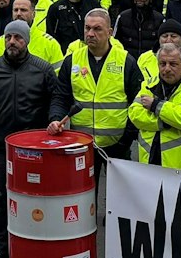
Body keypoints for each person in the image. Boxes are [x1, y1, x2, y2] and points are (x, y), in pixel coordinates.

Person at [0, 21, 64, 258]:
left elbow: (57, 100)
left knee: (35, 199)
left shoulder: (42, 70)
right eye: (8, 37)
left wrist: (54, 120)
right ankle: (0, 250)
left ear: (27, 41)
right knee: (1, 198)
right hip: (1, 147)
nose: (12, 42)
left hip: (33, 150)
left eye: (18, 38)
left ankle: (36, 248)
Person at [54, 9, 138, 157]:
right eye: (87, 28)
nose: (90, 33)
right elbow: (60, 97)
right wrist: (55, 119)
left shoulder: (126, 61)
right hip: (80, 144)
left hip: (117, 146)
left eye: (97, 29)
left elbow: (137, 104)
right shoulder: (72, 60)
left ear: (110, 32)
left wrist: (126, 140)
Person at [129, 45, 181, 170]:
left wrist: (155, 106)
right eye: (162, 64)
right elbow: (134, 114)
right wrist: (166, 121)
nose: (167, 69)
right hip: (149, 162)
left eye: (173, 64)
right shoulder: (149, 84)